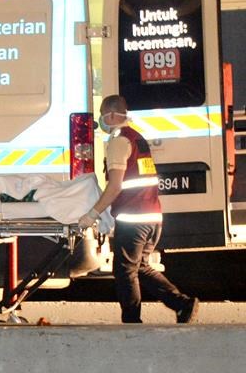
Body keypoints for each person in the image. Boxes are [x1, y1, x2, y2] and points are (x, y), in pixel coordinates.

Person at [78, 95, 199, 324]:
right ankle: (182, 304)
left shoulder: (119, 141)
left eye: (102, 115)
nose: (100, 121)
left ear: (111, 115)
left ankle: (132, 322)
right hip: (152, 217)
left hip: (133, 218)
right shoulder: (137, 138)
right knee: (140, 267)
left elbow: (115, 186)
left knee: (124, 271)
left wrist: (92, 214)